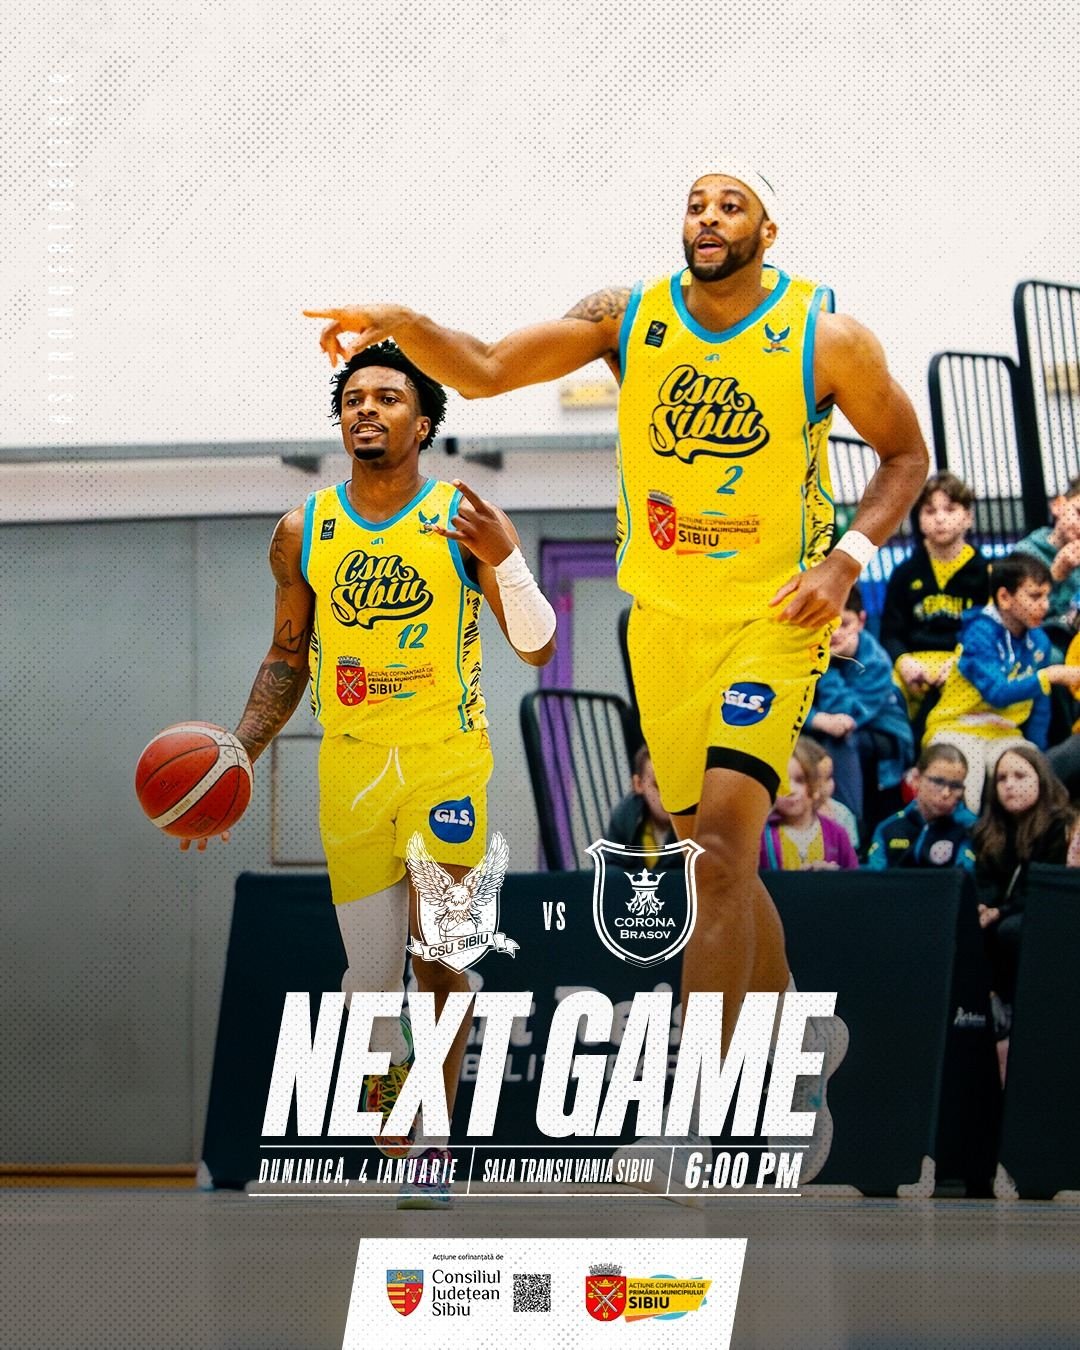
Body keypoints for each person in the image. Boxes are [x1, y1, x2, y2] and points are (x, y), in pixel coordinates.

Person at [304, 166, 930, 1189]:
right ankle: (801, 1037)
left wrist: (847, 561)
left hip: (774, 618)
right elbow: (490, 366)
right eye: (696, 203)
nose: (708, 218)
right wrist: (405, 324)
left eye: (730, 204)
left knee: (718, 857)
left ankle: (699, 1120)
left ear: (768, 228)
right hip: (664, 625)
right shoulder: (627, 316)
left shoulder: (827, 337)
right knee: (714, 864)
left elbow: (905, 456)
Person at [196, 342, 555, 1208]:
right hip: (351, 765)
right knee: (368, 976)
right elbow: (286, 657)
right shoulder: (303, 530)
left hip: (445, 759)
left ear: (423, 424)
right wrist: (237, 751)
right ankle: (393, 1065)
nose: (367, 408)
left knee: (437, 952)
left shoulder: (463, 517)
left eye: (389, 398)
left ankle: (432, 1139)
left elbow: (538, 646)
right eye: (354, 398)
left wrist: (507, 559)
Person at [924, 552, 1080, 812]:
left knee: (1035, 780)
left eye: (1046, 596)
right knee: (970, 790)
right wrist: (1049, 675)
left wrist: (1037, 752)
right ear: (1005, 597)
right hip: (959, 729)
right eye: (1035, 597)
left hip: (1005, 734)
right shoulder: (978, 634)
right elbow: (997, 692)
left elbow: (1040, 707)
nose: (1044, 606)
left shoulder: (1039, 641)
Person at [972, 746, 1080, 1074]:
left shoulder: (1060, 825)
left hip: (1045, 915)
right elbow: (985, 881)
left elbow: (1045, 886)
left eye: (1020, 776)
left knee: (1010, 931)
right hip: (1002, 914)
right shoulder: (987, 830)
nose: (1010, 784)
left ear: (1041, 779)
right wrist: (983, 906)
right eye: (1002, 778)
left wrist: (1000, 912)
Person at [879, 472, 990, 719]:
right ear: (919, 520)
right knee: (885, 693)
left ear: (968, 517)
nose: (940, 519)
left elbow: (990, 632)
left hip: (963, 662)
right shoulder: (904, 573)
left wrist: (962, 661)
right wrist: (903, 662)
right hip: (915, 662)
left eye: (950, 510)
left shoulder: (986, 572)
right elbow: (889, 633)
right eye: (929, 511)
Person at [807, 583, 914, 824]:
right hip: (824, 724)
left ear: (861, 621)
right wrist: (815, 719)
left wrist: (829, 664)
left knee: (842, 738)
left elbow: (845, 716)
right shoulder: (803, 648)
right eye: (827, 625)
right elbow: (785, 705)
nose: (835, 633)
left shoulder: (876, 661)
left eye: (844, 624)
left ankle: (846, 827)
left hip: (882, 733)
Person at [865, 743, 976, 871]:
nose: (946, 793)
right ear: (916, 779)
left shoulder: (971, 828)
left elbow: (964, 877)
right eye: (938, 782)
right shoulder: (888, 828)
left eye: (956, 786)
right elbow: (875, 879)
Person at [759, 737, 858, 871]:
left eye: (800, 780)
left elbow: (853, 877)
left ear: (816, 785)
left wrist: (834, 875)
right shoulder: (760, 837)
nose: (790, 790)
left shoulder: (837, 834)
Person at [1013, 474, 1080, 647]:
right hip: (1042, 646)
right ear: (1058, 506)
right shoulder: (1025, 552)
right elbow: (1016, 616)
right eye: (1079, 513)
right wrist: (1055, 576)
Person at [606, 744, 678, 868]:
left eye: (675, 784)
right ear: (638, 784)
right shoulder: (625, 815)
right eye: (658, 785)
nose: (668, 796)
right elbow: (611, 866)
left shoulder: (699, 818)